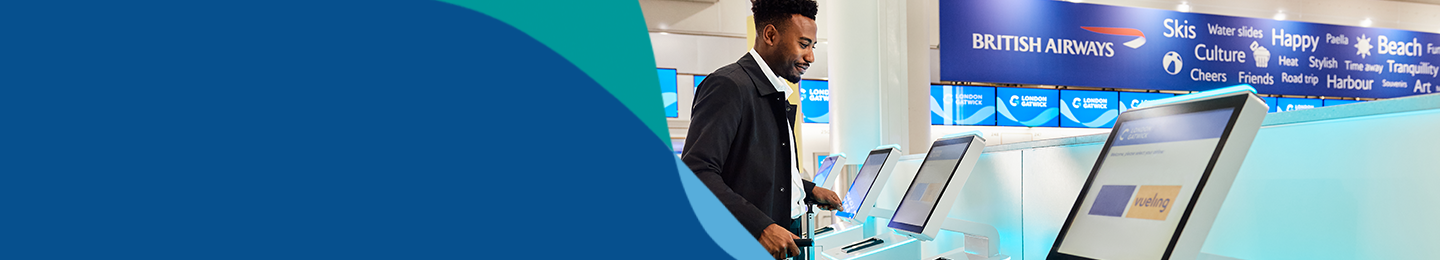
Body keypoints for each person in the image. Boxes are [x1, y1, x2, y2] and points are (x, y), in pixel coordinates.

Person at [681, 0, 839, 259]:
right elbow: (697, 172)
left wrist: (807, 189)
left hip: (786, 236)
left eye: (813, 46)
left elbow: (758, 170)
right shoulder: (729, 85)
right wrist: (759, 227)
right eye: (803, 44)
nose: (811, 56)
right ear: (770, 35)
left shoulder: (774, 93)